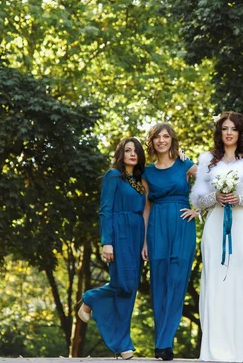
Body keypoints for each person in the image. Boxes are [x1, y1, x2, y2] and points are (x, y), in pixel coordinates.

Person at [190, 111, 243, 363]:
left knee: (239, 279)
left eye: (233, 129)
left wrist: (239, 199)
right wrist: (215, 197)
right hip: (214, 226)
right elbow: (197, 200)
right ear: (219, 132)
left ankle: (241, 349)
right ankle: (214, 350)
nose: (228, 132)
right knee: (215, 280)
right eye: (224, 128)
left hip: (241, 225)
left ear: (240, 132)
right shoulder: (207, 161)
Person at [78, 137, 146, 360]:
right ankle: (90, 298)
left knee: (130, 288)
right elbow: (105, 210)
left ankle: (122, 344)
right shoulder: (113, 176)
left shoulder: (139, 181)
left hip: (136, 236)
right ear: (121, 154)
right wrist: (107, 241)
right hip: (120, 234)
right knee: (123, 284)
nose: (132, 154)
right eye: (128, 150)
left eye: (136, 151)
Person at [141, 123, 198, 361]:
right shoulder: (146, 172)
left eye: (166, 136)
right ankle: (161, 342)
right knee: (160, 283)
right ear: (152, 142)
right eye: (157, 137)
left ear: (172, 140)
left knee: (177, 280)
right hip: (157, 225)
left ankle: (164, 343)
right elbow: (146, 207)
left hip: (183, 224)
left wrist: (199, 209)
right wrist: (144, 241)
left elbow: (213, 180)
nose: (162, 140)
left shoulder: (186, 164)